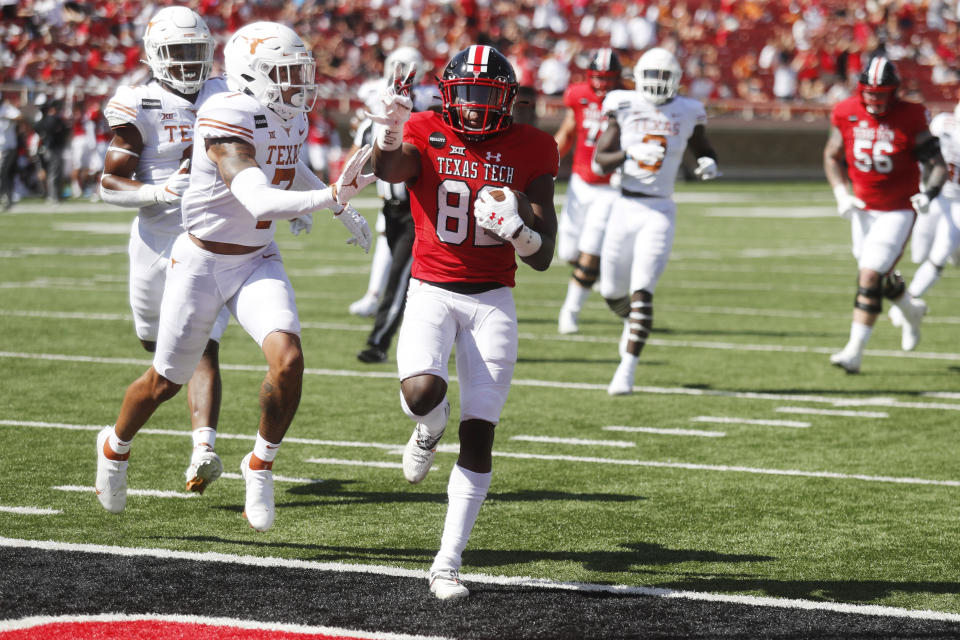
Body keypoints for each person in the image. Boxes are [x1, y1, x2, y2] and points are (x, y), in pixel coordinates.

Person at [94, 21, 374, 533]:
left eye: (300, 73)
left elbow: (290, 166)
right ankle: (114, 448)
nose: (297, 84)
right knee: (164, 382)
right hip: (199, 261)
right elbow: (259, 196)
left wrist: (339, 208)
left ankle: (260, 467)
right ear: (250, 74)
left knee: (288, 360)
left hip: (256, 259)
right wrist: (334, 195)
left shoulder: (288, 114)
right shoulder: (225, 113)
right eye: (284, 73)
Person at [371, 45, 558, 599]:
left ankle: (447, 561)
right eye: (466, 95)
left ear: (507, 100)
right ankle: (428, 428)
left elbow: (544, 253)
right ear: (448, 95)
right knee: (422, 392)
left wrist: (519, 230)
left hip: (492, 298)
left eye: (486, 96)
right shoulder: (426, 126)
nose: (475, 108)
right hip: (432, 288)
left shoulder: (533, 145)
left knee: (480, 435)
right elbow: (390, 168)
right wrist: (386, 129)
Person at [99, 7, 233, 495]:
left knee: (204, 344)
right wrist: (158, 192)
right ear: (155, 55)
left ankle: (204, 447)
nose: (187, 63)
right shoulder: (140, 104)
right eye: (177, 53)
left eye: (196, 52)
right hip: (155, 240)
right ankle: (117, 440)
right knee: (160, 357)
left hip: (207, 238)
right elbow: (108, 186)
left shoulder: (226, 93)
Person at [593, 47, 719, 396]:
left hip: (660, 210)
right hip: (624, 205)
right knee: (610, 292)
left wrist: (708, 163)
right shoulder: (624, 103)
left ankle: (626, 370)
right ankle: (629, 324)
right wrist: (630, 153)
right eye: (653, 76)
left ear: (677, 80)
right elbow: (599, 161)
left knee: (642, 291)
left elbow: (704, 148)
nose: (659, 83)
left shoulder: (688, 110)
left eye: (666, 77)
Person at [824, 56, 946, 372]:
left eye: (882, 93)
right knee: (880, 274)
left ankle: (854, 352)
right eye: (870, 93)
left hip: (898, 209)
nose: (875, 99)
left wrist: (927, 194)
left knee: (869, 275)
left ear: (894, 91)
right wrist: (841, 194)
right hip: (863, 209)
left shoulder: (912, 115)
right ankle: (911, 311)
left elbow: (937, 166)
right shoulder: (845, 111)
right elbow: (831, 155)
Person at [354, 50, 441, 364]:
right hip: (388, 209)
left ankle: (378, 341)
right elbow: (357, 155)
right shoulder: (374, 113)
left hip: (413, 210)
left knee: (398, 278)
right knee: (411, 279)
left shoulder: (422, 114)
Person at [348, 47, 428, 318]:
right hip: (389, 197)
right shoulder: (376, 104)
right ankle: (376, 297)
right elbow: (354, 158)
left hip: (417, 198)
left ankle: (398, 304)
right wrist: (337, 200)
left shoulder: (427, 111)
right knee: (387, 241)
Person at [554, 48, 623, 334]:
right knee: (568, 251)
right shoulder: (578, 94)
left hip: (611, 187)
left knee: (590, 248)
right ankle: (597, 274)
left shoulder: (627, 99)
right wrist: (547, 163)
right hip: (581, 183)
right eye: (598, 77)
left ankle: (570, 312)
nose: (602, 84)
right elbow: (569, 131)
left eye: (608, 78)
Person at [887, 100, 960, 349]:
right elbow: (925, 155)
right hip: (934, 195)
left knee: (939, 255)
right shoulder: (942, 124)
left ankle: (911, 300)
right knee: (919, 253)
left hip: (959, 202)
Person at [34, 100, 70, 204]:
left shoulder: (45, 120)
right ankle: (53, 195)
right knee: (54, 173)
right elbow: (63, 130)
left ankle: (55, 195)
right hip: (52, 148)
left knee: (54, 172)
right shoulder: (51, 119)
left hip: (51, 148)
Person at [0, 92, 23, 210]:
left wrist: (7, 117)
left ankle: (6, 197)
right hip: (1, 148)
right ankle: (7, 197)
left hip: (8, 147)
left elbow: (19, 116)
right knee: (5, 173)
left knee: (3, 172)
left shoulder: (6, 109)